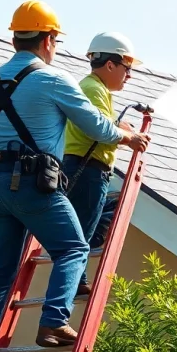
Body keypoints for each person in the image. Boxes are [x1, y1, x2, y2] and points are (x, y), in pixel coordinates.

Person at [0, 1, 150, 352]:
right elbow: (97, 126)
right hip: (31, 181)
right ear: (48, 40)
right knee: (73, 248)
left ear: (16, 37)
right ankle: (53, 322)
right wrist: (128, 135)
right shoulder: (53, 80)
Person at [61, 32, 140, 296]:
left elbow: (104, 123)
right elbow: (99, 128)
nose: (128, 76)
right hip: (88, 169)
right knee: (83, 231)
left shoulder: (94, 88)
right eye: (126, 69)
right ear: (110, 64)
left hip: (84, 168)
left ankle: (78, 279)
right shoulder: (94, 89)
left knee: (92, 221)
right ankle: (78, 281)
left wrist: (122, 127)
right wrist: (130, 137)